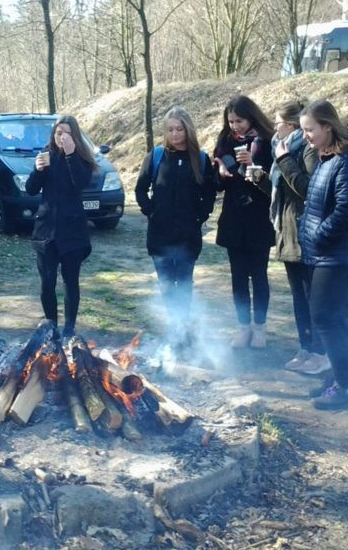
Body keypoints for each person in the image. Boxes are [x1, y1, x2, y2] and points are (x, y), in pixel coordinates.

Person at [299, 100, 348, 409]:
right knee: (336, 318)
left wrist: (317, 235)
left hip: (339, 255)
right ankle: (339, 381)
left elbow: (347, 212)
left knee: (327, 317)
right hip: (324, 253)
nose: (306, 137)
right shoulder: (327, 158)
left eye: (310, 130)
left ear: (328, 127)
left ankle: (345, 389)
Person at [134, 107, 216, 318]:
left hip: (188, 235)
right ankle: (174, 325)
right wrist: (150, 210)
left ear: (188, 129)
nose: (175, 134)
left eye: (179, 129)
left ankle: (183, 323)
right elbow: (140, 189)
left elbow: (209, 193)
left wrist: (201, 215)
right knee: (167, 284)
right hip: (160, 234)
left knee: (184, 282)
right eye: (170, 129)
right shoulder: (156, 156)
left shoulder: (201, 159)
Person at [25, 115, 97, 338]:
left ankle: (69, 329)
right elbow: (30, 189)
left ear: (74, 136)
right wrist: (37, 170)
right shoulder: (46, 156)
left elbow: (82, 182)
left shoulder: (81, 158)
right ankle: (51, 328)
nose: (61, 137)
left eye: (66, 133)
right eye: (58, 132)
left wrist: (71, 154)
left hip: (73, 232)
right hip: (46, 231)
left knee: (70, 282)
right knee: (47, 283)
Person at [270, 100, 328, 375]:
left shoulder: (305, 150)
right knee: (298, 297)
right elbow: (285, 192)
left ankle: (320, 352)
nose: (274, 128)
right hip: (287, 231)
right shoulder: (284, 149)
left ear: (291, 126)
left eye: (277, 123)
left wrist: (284, 161)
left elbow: (308, 190)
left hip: (304, 232)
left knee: (311, 296)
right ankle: (306, 349)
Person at [213, 95, 275, 349]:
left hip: (259, 218)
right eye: (231, 121)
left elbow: (273, 187)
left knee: (259, 275)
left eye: (239, 121)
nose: (235, 126)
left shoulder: (267, 142)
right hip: (234, 218)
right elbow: (216, 185)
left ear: (251, 118)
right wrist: (219, 173)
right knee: (238, 277)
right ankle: (243, 327)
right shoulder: (224, 143)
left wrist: (254, 165)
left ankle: (259, 328)